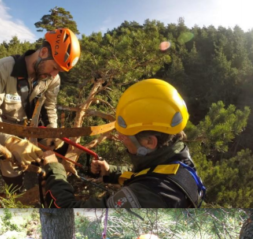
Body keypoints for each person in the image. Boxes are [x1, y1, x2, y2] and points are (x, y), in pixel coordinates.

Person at [41, 78, 206, 208]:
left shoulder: (150, 196)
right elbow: (151, 174)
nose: (120, 138)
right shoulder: (177, 159)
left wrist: (55, 170)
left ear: (150, 141)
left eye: (125, 135)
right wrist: (111, 172)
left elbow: (66, 212)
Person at [0, 28, 80, 190]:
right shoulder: (3, 68)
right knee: (12, 173)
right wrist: (11, 142)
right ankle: (15, 195)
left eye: (59, 71)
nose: (54, 75)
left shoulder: (53, 79)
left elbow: (50, 106)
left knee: (56, 155)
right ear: (44, 52)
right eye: (54, 67)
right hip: (4, 130)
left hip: (32, 130)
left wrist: (52, 131)